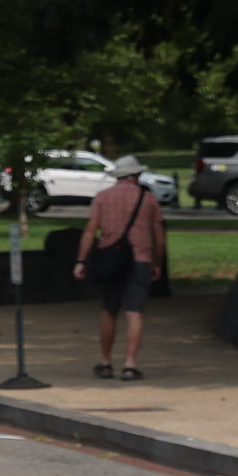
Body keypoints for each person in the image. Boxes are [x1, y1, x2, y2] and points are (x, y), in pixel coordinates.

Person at [73, 154, 167, 381]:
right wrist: (156, 263)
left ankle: (106, 362)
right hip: (140, 260)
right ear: (135, 175)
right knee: (135, 312)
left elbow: (90, 231)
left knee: (109, 309)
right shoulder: (147, 199)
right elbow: (159, 238)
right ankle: (130, 365)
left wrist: (81, 261)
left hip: (111, 260)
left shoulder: (102, 198)